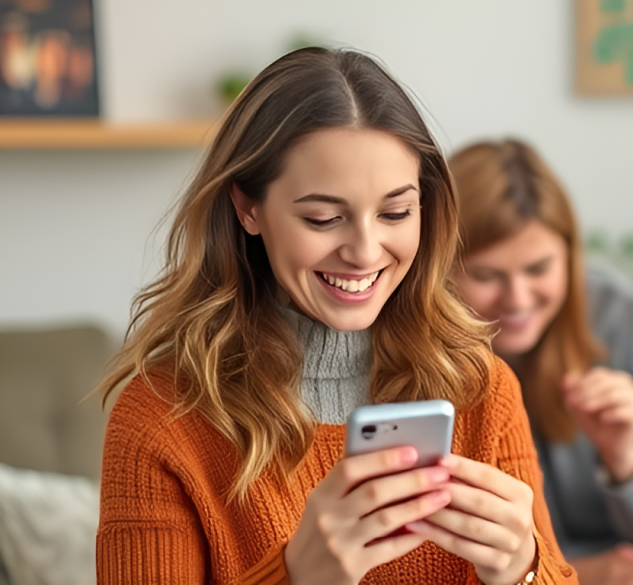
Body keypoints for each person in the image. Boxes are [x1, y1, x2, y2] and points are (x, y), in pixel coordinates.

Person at [94, 48, 576, 585]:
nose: (366, 251)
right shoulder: (161, 419)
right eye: (323, 218)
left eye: (395, 212)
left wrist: (525, 572)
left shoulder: (481, 389)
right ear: (247, 208)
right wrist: (297, 577)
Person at [448, 139, 633, 584]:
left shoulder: (624, 321)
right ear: (441, 266)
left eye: (539, 268)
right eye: (487, 276)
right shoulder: (419, 357)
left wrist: (623, 456)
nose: (518, 299)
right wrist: (591, 572)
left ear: (570, 254)